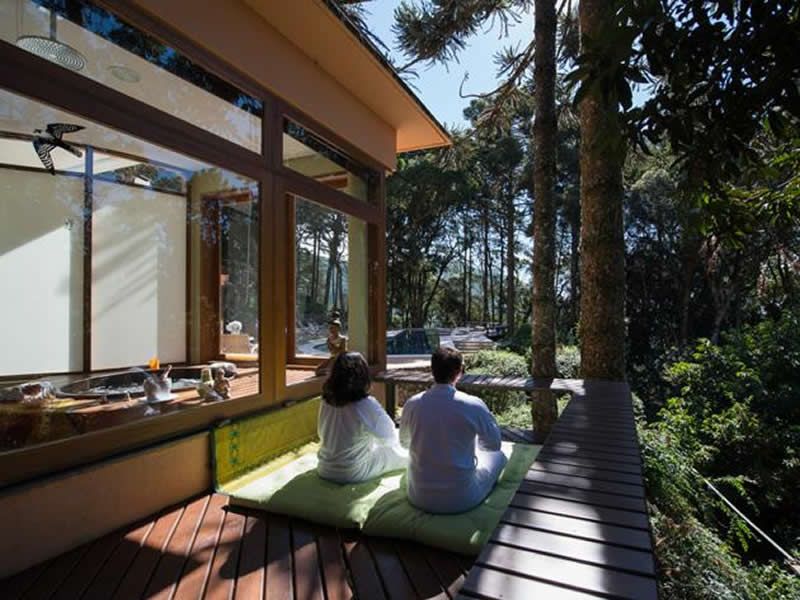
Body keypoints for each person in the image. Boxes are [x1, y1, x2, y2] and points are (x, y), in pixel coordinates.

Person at [399, 347, 507, 513]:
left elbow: (404, 443)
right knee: (499, 456)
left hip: (418, 497)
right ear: (459, 372)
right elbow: (493, 445)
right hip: (462, 499)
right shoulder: (473, 405)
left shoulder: (412, 404)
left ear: (432, 370)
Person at [317, 352, 408, 483]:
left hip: (324, 468)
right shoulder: (365, 404)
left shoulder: (326, 400)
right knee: (403, 453)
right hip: (352, 472)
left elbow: (321, 433)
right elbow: (389, 437)